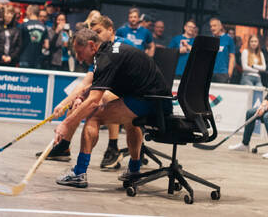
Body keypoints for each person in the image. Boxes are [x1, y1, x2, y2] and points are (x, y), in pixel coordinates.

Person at [54, 28, 171, 188]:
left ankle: (79, 173)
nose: (79, 59)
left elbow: (95, 101)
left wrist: (66, 124)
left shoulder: (105, 59)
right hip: (157, 101)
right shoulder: (111, 50)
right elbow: (99, 84)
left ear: (91, 46)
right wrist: (81, 97)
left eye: (80, 53)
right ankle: (134, 170)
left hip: (148, 101)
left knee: (93, 116)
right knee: (131, 122)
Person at [37, 16, 130, 171]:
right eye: (93, 32)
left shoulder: (123, 45)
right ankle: (64, 147)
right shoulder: (98, 52)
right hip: (108, 87)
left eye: (99, 31)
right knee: (77, 102)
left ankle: (112, 147)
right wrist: (64, 103)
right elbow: (85, 83)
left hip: (127, 90)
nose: (96, 36)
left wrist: (66, 122)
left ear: (111, 30)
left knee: (102, 100)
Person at [209, 18, 235, 83]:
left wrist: (229, 73)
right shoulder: (209, 39)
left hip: (223, 73)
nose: (212, 28)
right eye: (211, 26)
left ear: (220, 27)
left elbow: (232, 57)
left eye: (214, 26)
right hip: (209, 72)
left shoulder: (229, 39)